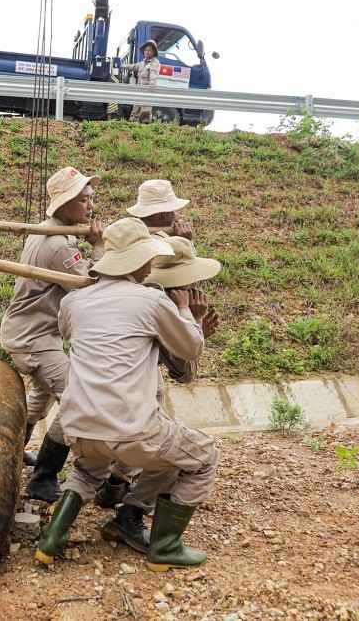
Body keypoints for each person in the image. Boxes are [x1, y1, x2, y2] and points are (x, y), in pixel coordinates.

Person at [36, 218, 219, 572]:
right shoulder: (151, 300)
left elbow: (69, 331)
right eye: (148, 258)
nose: (151, 265)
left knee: (87, 473)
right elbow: (191, 349)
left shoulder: (74, 302)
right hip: (130, 428)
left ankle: (50, 541)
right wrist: (185, 312)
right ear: (138, 262)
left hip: (78, 426)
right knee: (203, 456)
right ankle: (165, 546)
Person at [94, 236, 221, 553]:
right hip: (130, 416)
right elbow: (185, 373)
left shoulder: (129, 294)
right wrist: (190, 322)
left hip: (90, 411)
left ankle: (116, 494)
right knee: (194, 454)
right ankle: (161, 542)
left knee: (166, 444)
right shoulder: (161, 308)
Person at [0, 166, 105, 503]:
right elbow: (91, 287)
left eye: (91, 198)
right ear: (64, 204)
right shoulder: (60, 246)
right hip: (35, 338)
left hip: (33, 330)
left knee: (40, 397)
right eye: (84, 199)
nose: (91, 205)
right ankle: (43, 477)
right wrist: (99, 247)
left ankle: (14, 453)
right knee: (78, 397)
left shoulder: (45, 230)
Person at [126, 179, 194, 240]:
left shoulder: (128, 235)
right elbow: (187, 254)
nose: (175, 215)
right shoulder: (163, 241)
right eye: (173, 211)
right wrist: (185, 240)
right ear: (164, 214)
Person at [127, 38, 161, 124]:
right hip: (139, 89)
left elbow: (153, 72)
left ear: (153, 52)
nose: (147, 52)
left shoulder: (155, 62)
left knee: (145, 112)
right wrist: (124, 66)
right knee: (135, 110)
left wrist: (152, 82)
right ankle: (131, 127)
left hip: (147, 89)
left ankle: (144, 131)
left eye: (150, 50)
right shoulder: (142, 62)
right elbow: (134, 66)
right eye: (146, 50)